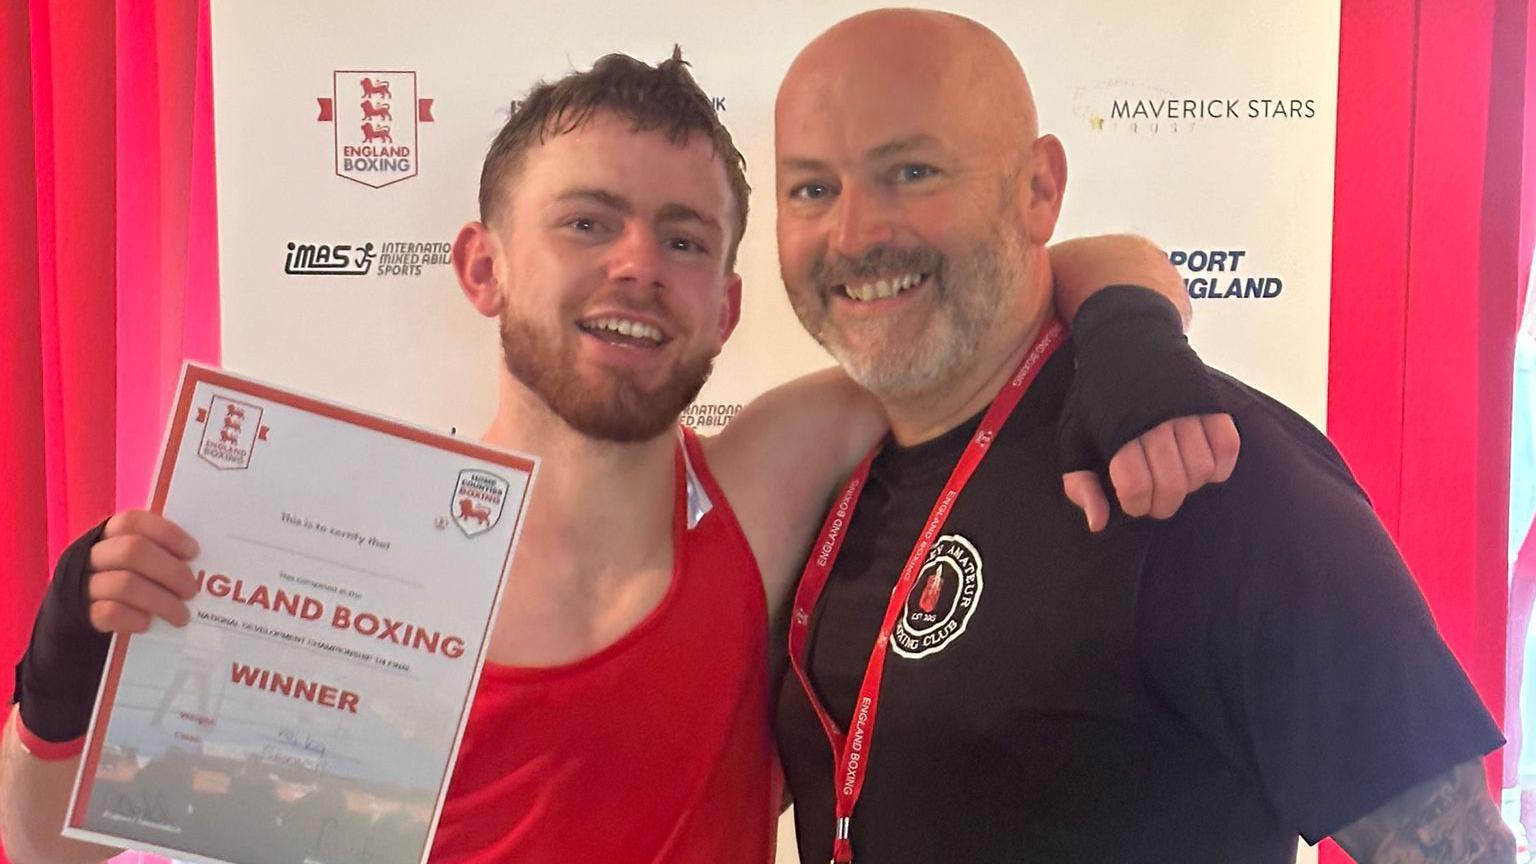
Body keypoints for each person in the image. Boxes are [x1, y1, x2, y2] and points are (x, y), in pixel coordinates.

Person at [0, 50, 1236, 864]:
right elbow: (52, 853)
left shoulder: (765, 482)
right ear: (484, 268)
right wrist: (59, 688)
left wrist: (1129, 335)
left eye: (684, 239)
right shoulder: (350, 557)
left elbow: (1014, 276)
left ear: (728, 308)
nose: (640, 264)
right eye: (588, 222)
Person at [770, 10, 1511, 864]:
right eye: (814, 189)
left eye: (911, 171)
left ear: (1038, 189)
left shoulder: (1202, 465)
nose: (857, 232)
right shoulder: (828, 475)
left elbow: (1464, 853)